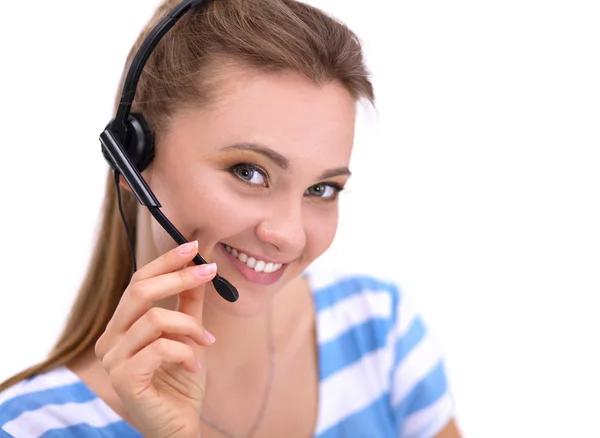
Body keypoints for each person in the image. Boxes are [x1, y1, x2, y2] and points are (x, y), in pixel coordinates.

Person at [0, 0, 461, 437]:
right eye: (249, 172)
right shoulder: (31, 427)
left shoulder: (379, 331)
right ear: (132, 160)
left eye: (321, 189)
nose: (287, 234)